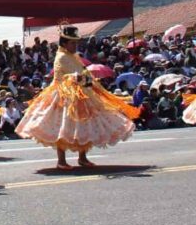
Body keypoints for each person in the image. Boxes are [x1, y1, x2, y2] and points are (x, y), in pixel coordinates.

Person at [17, 26, 140, 169]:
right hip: (63, 96)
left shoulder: (73, 56)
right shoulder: (61, 57)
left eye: (76, 43)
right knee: (62, 127)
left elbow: (83, 72)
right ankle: (61, 161)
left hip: (81, 94)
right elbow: (63, 77)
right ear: (64, 43)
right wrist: (78, 78)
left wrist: (88, 80)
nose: (75, 46)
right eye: (72, 43)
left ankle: (83, 158)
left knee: (83, 126)